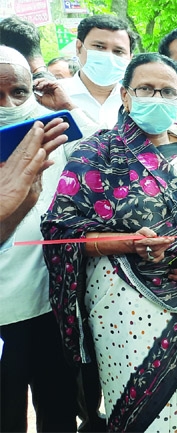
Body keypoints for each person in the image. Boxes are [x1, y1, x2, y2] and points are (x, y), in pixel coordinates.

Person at [42, 52, 177, 432]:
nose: (157, 97)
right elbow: (60, 231)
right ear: (126, 96)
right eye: (146, 88)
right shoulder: (96, 152)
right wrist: (128, 243)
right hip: (122, 306)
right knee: (140, 412)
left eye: (167, 91)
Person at [0, 46, 76, 433]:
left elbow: (105, 160)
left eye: (18, 92)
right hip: (2, 314)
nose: (9, 104)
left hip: (50, 307)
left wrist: (69, 108)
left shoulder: (49, 131)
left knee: (59, 411)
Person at [61, 14, 137, 139]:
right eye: (99, 47)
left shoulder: (138, 103)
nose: (108, 56)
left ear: (130, 58)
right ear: (79, 47)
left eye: (118, 51)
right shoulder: (52, 98)